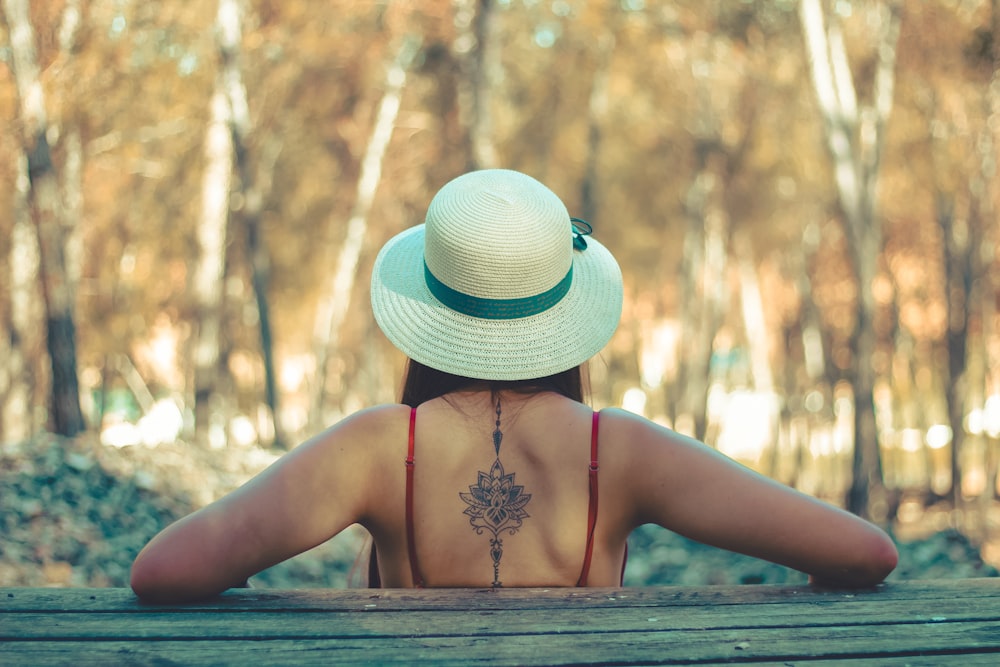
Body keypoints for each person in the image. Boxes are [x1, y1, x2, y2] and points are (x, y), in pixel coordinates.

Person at [130, 169, 897, 602]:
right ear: (564, 309)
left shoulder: (375, 448)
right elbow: (864, 551)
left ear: (428, 308)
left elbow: (164, 570)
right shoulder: (622, 451)